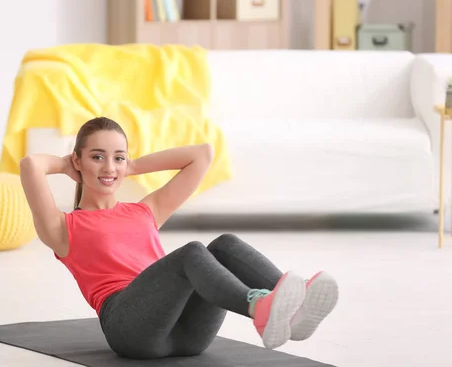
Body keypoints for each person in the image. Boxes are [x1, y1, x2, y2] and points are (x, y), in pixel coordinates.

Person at [19, 116, 339, 359]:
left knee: (224, 245)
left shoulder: (145, 210)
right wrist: (66, 165)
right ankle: (259, 308)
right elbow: (31, 164)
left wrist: (132, 167)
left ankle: (294, 311)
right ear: (79, 160)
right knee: (191, 254)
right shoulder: (63, 227)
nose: (109, 167)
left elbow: (202, 154)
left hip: (189, 333)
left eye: (118, 157)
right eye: (97, 156)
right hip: (131, 330)